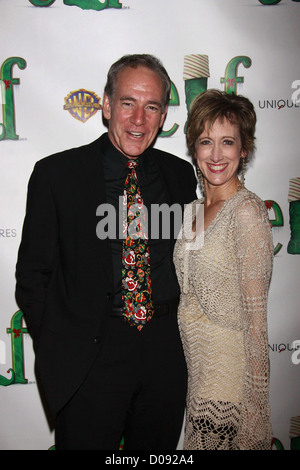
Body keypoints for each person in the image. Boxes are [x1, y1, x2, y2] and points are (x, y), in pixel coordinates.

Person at [15, 54, 197, 450]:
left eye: (151, 107)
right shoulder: (57, 175)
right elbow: (32, 276)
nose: (138, 119)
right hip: (89, 357)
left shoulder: (180, 176)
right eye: (128, 103)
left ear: (164, 114)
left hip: (165, 353)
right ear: (106, 104)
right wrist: (60, 345)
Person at [174, 89, 273, 450]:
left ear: (243, 149)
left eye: (227, 142)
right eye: (206, 142)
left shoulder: (246, 212)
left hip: (228, 385)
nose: (216, 155)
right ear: (194, 148)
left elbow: (256, 321)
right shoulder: (191, 212)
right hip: (197, 379)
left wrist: (256, 410)